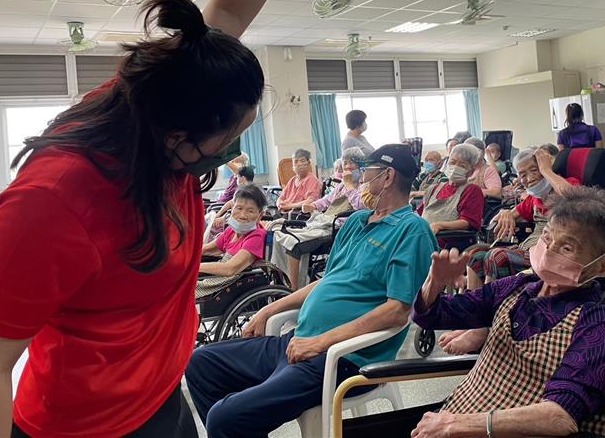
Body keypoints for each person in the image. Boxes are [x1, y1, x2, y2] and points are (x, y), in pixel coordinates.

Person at [0, 0, 328, 438]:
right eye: (222, 141)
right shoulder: (56, 200)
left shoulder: (159, 92)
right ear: (175, 133)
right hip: (85, 425)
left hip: (161, 398)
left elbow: (221, 16)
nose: (229, 153)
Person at [185, 144, 437, 437]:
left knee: (224, 417)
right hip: (297, 342)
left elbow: (397, 311)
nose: (362, 179)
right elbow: (326, 281)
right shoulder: (357, 221)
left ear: (388, 176)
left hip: (340, 358)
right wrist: (268, 310)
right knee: (201, 364)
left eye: (367, 172)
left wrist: (320, 342)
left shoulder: (412, 230)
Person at [410, 186, 605, 438]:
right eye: (546, 238)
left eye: (567, 248)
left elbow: (559, 417)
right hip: (450, 422)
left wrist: (455, 425)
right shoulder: (517, 287)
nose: (549, 251)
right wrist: (434, 284)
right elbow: (432, 315)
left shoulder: (598, 324)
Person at [442, 147, 578, 355]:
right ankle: (475, 320)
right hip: (530, 250)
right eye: (522, 174)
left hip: (555, 254)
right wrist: (505, 212)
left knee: (498, 257)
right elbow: (508, 215)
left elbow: (577, 199)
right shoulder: (534, 199)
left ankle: (486, 327)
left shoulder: (567, 185)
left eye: (534, 171)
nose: (529, 178)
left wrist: (548, 172)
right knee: (475, 254)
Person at [270, 147, 366, 290]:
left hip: (339, 227)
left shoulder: (364, 187)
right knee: (279, 236)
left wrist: (349, 185)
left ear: (361, 166)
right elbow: (326, 201)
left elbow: (360, 207)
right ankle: (282, 282)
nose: (347, 167)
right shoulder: (341, 186)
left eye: (351, 163)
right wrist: (312, 206)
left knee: (294, 245)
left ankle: (293, 289)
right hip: (323, 220)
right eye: (345, 163)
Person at [197, 185, 268, 299]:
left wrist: (195, 267)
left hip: (226, 285)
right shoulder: (231, 230)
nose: (242, 216)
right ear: (232, 208)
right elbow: (207, 249)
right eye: (239, 208)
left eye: (250, 211)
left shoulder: (257, 236)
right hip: (216, 278)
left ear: (260, 215)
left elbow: (230, 268)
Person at [418, 143, 485, 243]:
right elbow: (421, 214)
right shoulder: (432, 189)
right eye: (452, 162)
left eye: (462, 165)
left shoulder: (472, 191)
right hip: (423, 239)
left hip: (446, 246)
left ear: (471, 171)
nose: (455, 167)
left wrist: (440, 225)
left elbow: (467, 222)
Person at [209, 164, 256, 234]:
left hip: (240, 224)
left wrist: (223, 219)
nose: (236, 179)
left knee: (210, 227)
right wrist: (218, 215)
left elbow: (241, 213)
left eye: (237, 177)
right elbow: (231, 203)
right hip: (233, 219)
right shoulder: (246, 190)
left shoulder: (246, 193)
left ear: (242, 178)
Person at [277, 148, 322, 212]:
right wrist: (279, 203)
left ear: (308, 163)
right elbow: (281, 197)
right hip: (285, 211)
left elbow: (309, 202)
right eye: (296, 161)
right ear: (292, 165)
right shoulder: (293, 180)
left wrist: (288, 206)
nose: (299, 164)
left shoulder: (312, 180)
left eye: (302, 161)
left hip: (299, 214)